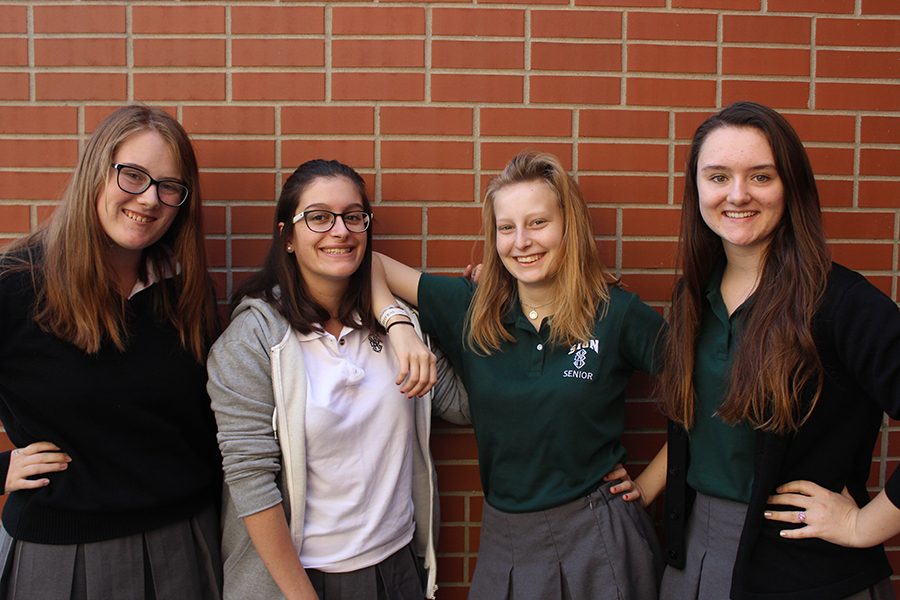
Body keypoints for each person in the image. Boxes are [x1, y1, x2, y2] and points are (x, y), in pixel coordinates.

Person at [625, 101, 900, 599]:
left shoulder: (841, 304)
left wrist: (868, 524)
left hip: (806, 574)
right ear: (697, 189)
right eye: (717, 177)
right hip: (695, 558)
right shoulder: (693, 295)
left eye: (760, 176)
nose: (737, 194)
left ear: (790, 186)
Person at [370, 151, 665, 599]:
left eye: (538, 223)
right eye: (507, 228)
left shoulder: (616, 313)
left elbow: (705, 389)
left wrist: (648, 485)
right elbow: (370, 264)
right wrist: (400, 328)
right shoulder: (472, 307)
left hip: (597, 536)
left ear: (570, 226)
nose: (521, 241)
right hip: (504, 539)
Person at [206, 159, 468, 600]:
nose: (340, 230)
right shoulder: (252, 341)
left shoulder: (399, 328)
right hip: (300, 582)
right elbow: (250, 484)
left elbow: (464, 406)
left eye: (353, 216)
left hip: (397, 569)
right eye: (319, 217)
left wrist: (511, 300)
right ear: (288, 236)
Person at [0, 105, 222, 599]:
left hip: (185, 546)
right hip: (59, 558)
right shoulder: (17, 285)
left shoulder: (185, 294)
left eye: (169, 186)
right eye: (133, 176)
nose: (150, 199)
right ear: (97, 172)